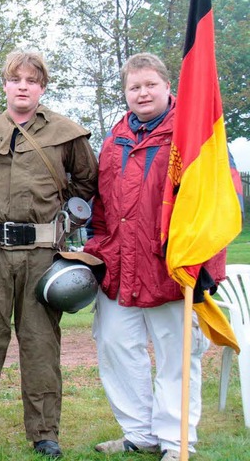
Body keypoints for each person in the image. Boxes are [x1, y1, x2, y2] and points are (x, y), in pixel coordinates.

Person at [0, 49, 98, 458]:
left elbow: (87, 183)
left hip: (43, 255)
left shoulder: (68, 133)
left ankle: (45, 432)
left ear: (42, 87)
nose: (23, 86)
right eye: (16, 79)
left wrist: (65, 221)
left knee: (41, 344)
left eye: (32, 80)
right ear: (5, 84)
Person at [84, 52, 231, 461]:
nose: (142, 92)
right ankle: (138, 433)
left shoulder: (195, 136)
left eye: (150, 84)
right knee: (116, 347)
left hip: (172, 268)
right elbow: (103, 205)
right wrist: (96, 249)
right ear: (126, 92)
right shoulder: (115, 139)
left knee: (176, 357)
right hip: (119, 267)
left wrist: (207, 268)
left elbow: (217, 205)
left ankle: (175, 441)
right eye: (134, 87)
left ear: (168, 87)